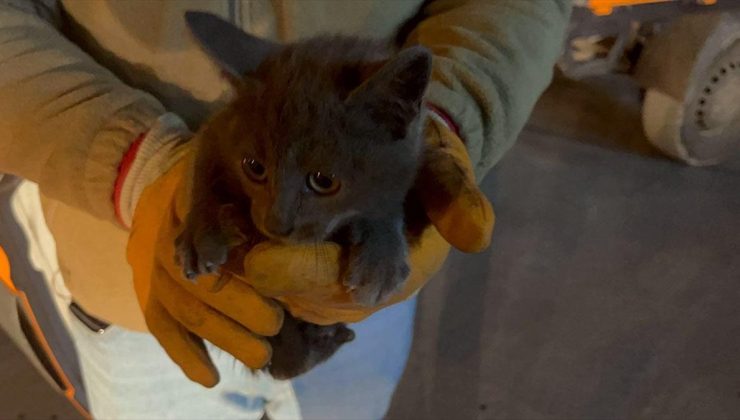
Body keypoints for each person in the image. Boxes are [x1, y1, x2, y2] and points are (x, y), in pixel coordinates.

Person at [0, 0, 572, 418]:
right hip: (135, 291)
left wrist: (445, 117)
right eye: (259, 176)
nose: (274, 218)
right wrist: (136, 163)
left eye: (318, 182)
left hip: (354, 292)